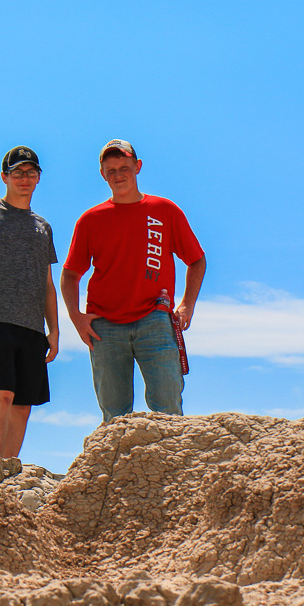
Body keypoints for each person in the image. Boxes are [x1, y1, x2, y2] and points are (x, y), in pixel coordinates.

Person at [61, 139, 206, 422]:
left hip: (155, 320)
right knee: (114, 416)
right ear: (102, 174)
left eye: (124, 167)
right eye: (111, 169)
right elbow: (70, 274)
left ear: (137, 167)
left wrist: (187, 304)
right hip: (104, 325)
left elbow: (196, 260)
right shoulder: (90, 219)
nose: (118, 175)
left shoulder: (165, 211)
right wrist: (76, 317)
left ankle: (172, 465)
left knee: (168, 410)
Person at [0, 146, 60, 458]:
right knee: (2, 394)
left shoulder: (43, 227)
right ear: (5, 176)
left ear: (39, 178)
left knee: (24, 405)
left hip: (32, 326)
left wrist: (54, 330)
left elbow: (47, 284)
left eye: (30, 173)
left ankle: (9, 470)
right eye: (17, 172)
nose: (24, 178)